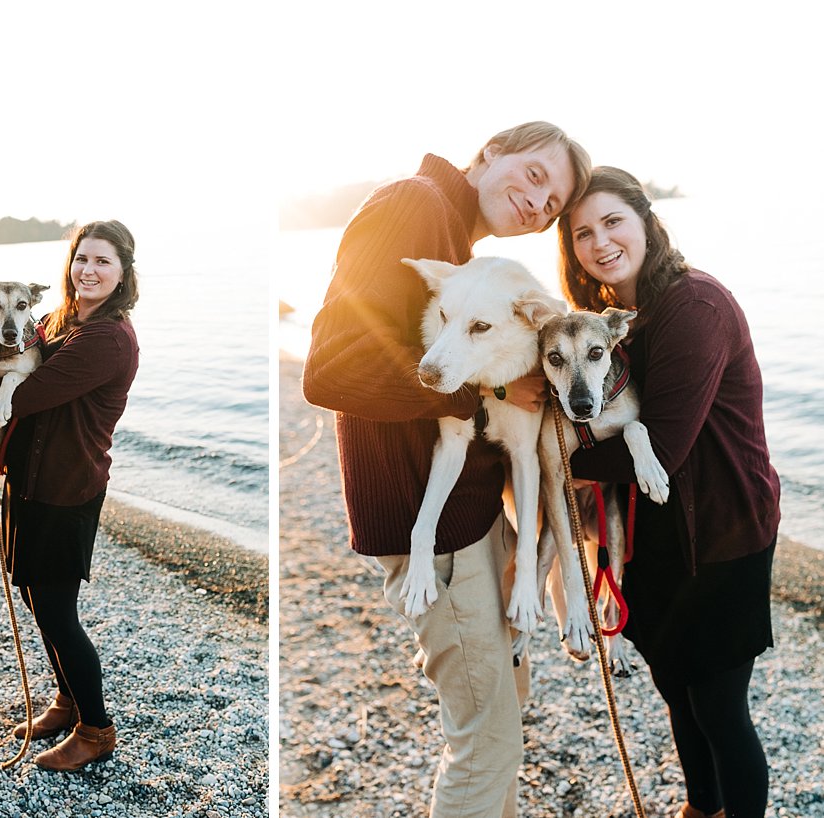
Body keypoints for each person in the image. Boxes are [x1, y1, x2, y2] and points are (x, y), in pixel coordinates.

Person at [302, 122, 591, 817]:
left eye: (551, 202)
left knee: (503, 710)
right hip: (432, 527)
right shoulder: (414, 205)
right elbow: (332, 369)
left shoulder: (458, 246)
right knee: (485, 741)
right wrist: (488, 389)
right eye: (531, 175)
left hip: (471, 516)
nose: (536, 202)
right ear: (488, 152)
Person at [561, 167, 780, 818]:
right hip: (653, 529)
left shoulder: (694, 304)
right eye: (581, 233)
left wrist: (560, 459)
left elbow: (666, 445)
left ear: (646, 221)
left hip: (722, 529)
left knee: (717, 704)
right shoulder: (610, 325)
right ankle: (699, 807)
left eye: (613, 222)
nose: (600, 243)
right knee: (674, 683)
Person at [0, 219, 139, 771]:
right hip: (29, 483)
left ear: (124, 272)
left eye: (103, 261)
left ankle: (96, 729)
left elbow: (27, 394)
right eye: (82, 259)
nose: (89, 269)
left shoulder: (107, 337)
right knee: (36, 598)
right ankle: (67, 700)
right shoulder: (59, 321)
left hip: (67, 489)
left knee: (57, 612)